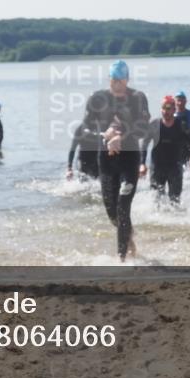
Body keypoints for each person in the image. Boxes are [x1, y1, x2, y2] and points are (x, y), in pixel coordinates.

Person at [79, 60, 150, 261]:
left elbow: (145, 127)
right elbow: (85, 128)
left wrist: (121, 136)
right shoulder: (97, 98)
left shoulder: (138, 97)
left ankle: (122, 258)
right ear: (109, 79)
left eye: (121, 79)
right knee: (112, 212)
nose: (117, 83)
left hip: (130, 158)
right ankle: (128, 236)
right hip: (106, 161)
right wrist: (105, 135)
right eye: (114, 79)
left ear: (127, 80)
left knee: (123, 203)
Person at [140, 95, 190, 204]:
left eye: (168, 108)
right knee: (156, 201)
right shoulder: (154, 125)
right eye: (163, 108)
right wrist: (142, 164)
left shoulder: (181, 125)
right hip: (157, 168)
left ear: (174, 109)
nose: (165, 111)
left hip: (175, 168)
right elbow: (144, 144)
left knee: (175, 202)